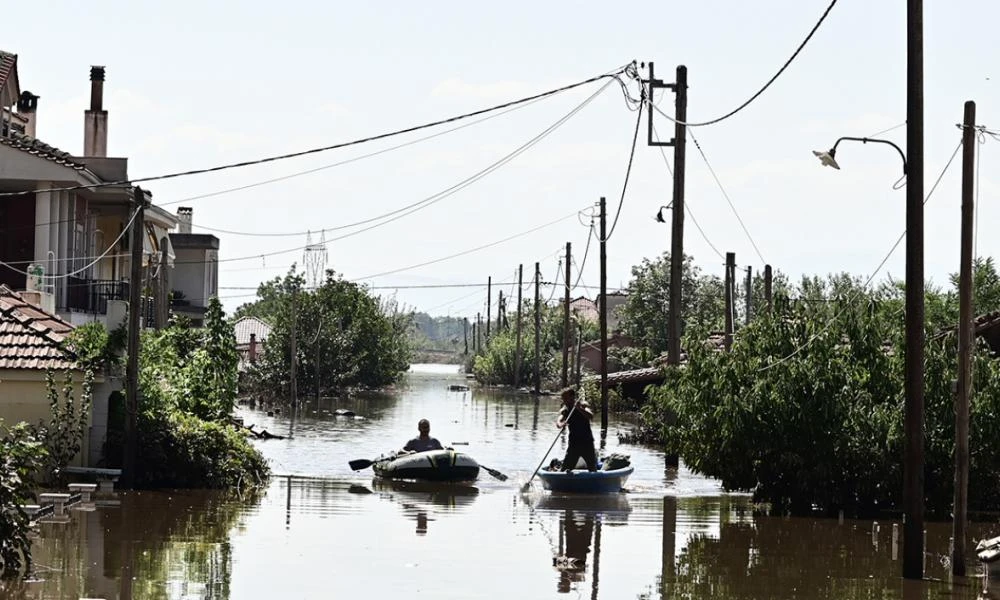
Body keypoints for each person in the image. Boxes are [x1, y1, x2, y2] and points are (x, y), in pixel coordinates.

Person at [556, 387, 598, 472]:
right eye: (563, 398)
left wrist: (579, 409)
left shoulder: (582, 405)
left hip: (587, 443)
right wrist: (561, 424)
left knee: (592, 469)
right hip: (574, 444)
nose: (564, 401)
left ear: (572, 397)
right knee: (565, 469)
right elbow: (559, 421)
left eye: (566, 398)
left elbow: (591, 416)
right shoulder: (566, 410)